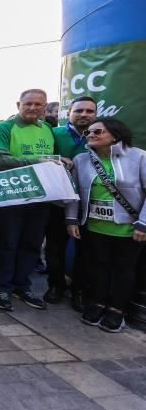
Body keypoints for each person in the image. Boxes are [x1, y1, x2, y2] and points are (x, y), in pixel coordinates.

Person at [0, 88, 64, 311]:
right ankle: (2, 287)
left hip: (39, 197)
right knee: (6, 244)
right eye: (28, 104)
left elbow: (53, 160)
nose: (32, 108)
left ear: (45, 106)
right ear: (18, 104)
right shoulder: (4, 128)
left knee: (31, 244)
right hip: (10, 198)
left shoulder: (48, 129)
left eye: (38, 104)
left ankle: (22, 285)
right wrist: (38, 161)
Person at [66, 118, 146, 332]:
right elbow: (74, 194)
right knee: (99, 265)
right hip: (95, 225)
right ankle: (98, 302)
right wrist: (72, 218)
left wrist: (143, 223)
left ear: (115, 134)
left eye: (98, 131)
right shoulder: (81, 159)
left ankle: (117, 310)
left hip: (130, 227)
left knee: (124, 269)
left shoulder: (138, 157)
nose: (90, 135)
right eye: (88, 132)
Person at [45, 96, 97, 306]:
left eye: (89, 111)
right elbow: (42, 156)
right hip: (58, 201)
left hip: (89, 203)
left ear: (95, 114)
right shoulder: (53, 133)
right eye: (79, 111)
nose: (84, 115)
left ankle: (80, 291)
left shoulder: (100, 136)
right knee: (54, 248)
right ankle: (56, 285)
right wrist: (58, 159)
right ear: (69, 113)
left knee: (88, 250)